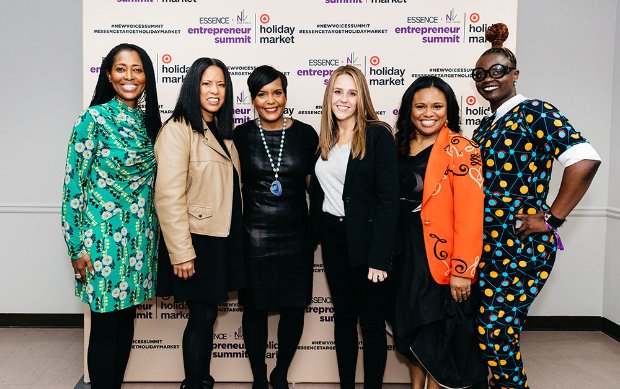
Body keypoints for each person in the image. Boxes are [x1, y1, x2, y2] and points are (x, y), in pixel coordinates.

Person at [471, 23, 601, 389]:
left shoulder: (535, 112)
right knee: (489, 331)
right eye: (479, 74)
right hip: (488, 246)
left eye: (497, 71)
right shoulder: (485, 126)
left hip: (521, 246)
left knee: (496, 333)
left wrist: (552, 217)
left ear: (514, 74)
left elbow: (585, 160)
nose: (487, 80)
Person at [61, 43, 161, 389]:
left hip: (139, 242)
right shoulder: (93, 119)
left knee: (126, 322)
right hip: (102, 244)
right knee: (104, 326)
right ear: (108, 74)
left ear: (147, 77)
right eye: (121, 69)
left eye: (137, 69)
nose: (129, 77)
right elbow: (73, 188)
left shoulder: (149, 124)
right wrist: (76, 247)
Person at [154, 57, 246, 389]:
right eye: (207, 83)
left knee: (205, 316)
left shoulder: (221, 132)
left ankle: (201, 378)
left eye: (221, 84)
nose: (215, 90)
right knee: (202, 315)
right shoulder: (178, 130)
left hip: (219, 238)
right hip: (196, 241)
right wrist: (181, 253)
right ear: (193, 87)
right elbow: (168, 196)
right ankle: (194, 383)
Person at [392, 76, 488, 389]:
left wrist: (462, 270)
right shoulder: (400, 143)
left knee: (436, 333)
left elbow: (471, 215)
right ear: (410, 109)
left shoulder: (462, 148)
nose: (428, 112)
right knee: (411, 329)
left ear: (449, 110)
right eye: (420, 106)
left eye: (437, 106)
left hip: (440, 259)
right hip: (403, 250)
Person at [308, 65, 399, 389]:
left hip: (368, 241)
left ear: (362, 97)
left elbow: (389, 201)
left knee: (371, 324)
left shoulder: (377, 135)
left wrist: (379, 257)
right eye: (338, 91)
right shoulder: (325, 137)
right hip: (333, 239)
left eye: (351, 92)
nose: (343, 99)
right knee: (343, 318)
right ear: (329, 95)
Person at [234, 65, 319, 389]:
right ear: (253, 99)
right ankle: (258, 377)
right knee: (255, 310)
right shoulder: (240, 135)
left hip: (296, 237)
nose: (271, 100)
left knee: (294, 308)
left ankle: (280, 373)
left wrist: (314, 232)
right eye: (262, 94)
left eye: (277, 92)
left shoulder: (306, 134)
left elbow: (317, 188)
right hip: (254, 237)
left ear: (286, 94)